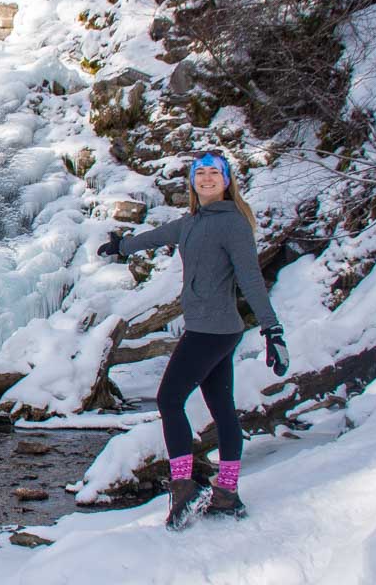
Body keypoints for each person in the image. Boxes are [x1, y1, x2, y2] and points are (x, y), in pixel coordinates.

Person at [97, 151, 289, 530]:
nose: (206, 179)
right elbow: (158, 236)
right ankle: (227, 494)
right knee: (221, 409)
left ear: (227, 180)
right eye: (200, 173)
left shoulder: (233, 223)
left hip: (212, 330)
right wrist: (122, 246)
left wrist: (273, 329)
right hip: (213, 329)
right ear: (193, 181)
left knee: (170, 398)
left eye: (214, 173)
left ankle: (185, 487)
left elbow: (250, 279)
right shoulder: (193, 221)